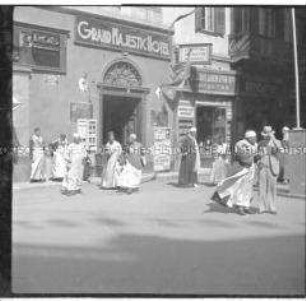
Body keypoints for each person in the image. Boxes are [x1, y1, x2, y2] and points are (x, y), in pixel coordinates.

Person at [211, 130, 259, 215]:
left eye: (255, 137)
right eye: (253, 138)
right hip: (242, 167)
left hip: (251, 167)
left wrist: (257, 159)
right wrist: (254, 155)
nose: (255, 139)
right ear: (249, 138)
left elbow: (256, 155)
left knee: (248, 188)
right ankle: (240, 206)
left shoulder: (255, 144)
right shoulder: (241, 144)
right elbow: (244, 156)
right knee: (241, 187)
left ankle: (246, 206)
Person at [256, 126, 281, 214]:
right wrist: (258, 162)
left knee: (272, 187)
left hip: (272, 166)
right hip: (263, 166)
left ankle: (272, 207)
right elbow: (257, 155)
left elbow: (280, 149)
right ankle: (262, 207)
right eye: (266, 134)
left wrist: (273, 139)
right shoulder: (260, 143)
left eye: (269, 133)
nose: (267, 135)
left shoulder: (276, 142)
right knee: (262, 187)